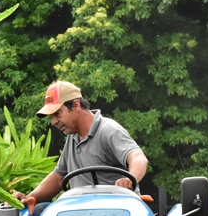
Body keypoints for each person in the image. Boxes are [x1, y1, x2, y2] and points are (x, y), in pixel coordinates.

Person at [14, 81, 148, 208]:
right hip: (81, 213)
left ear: (76, 105)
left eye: (57, 114)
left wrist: (130, 178)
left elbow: (138, 158)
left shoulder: (109, 130)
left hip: (117, 211)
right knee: (38, 212)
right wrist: (29, 198)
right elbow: (58, 178)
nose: (54, 121)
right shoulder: (72, 138)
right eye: (51, 117)